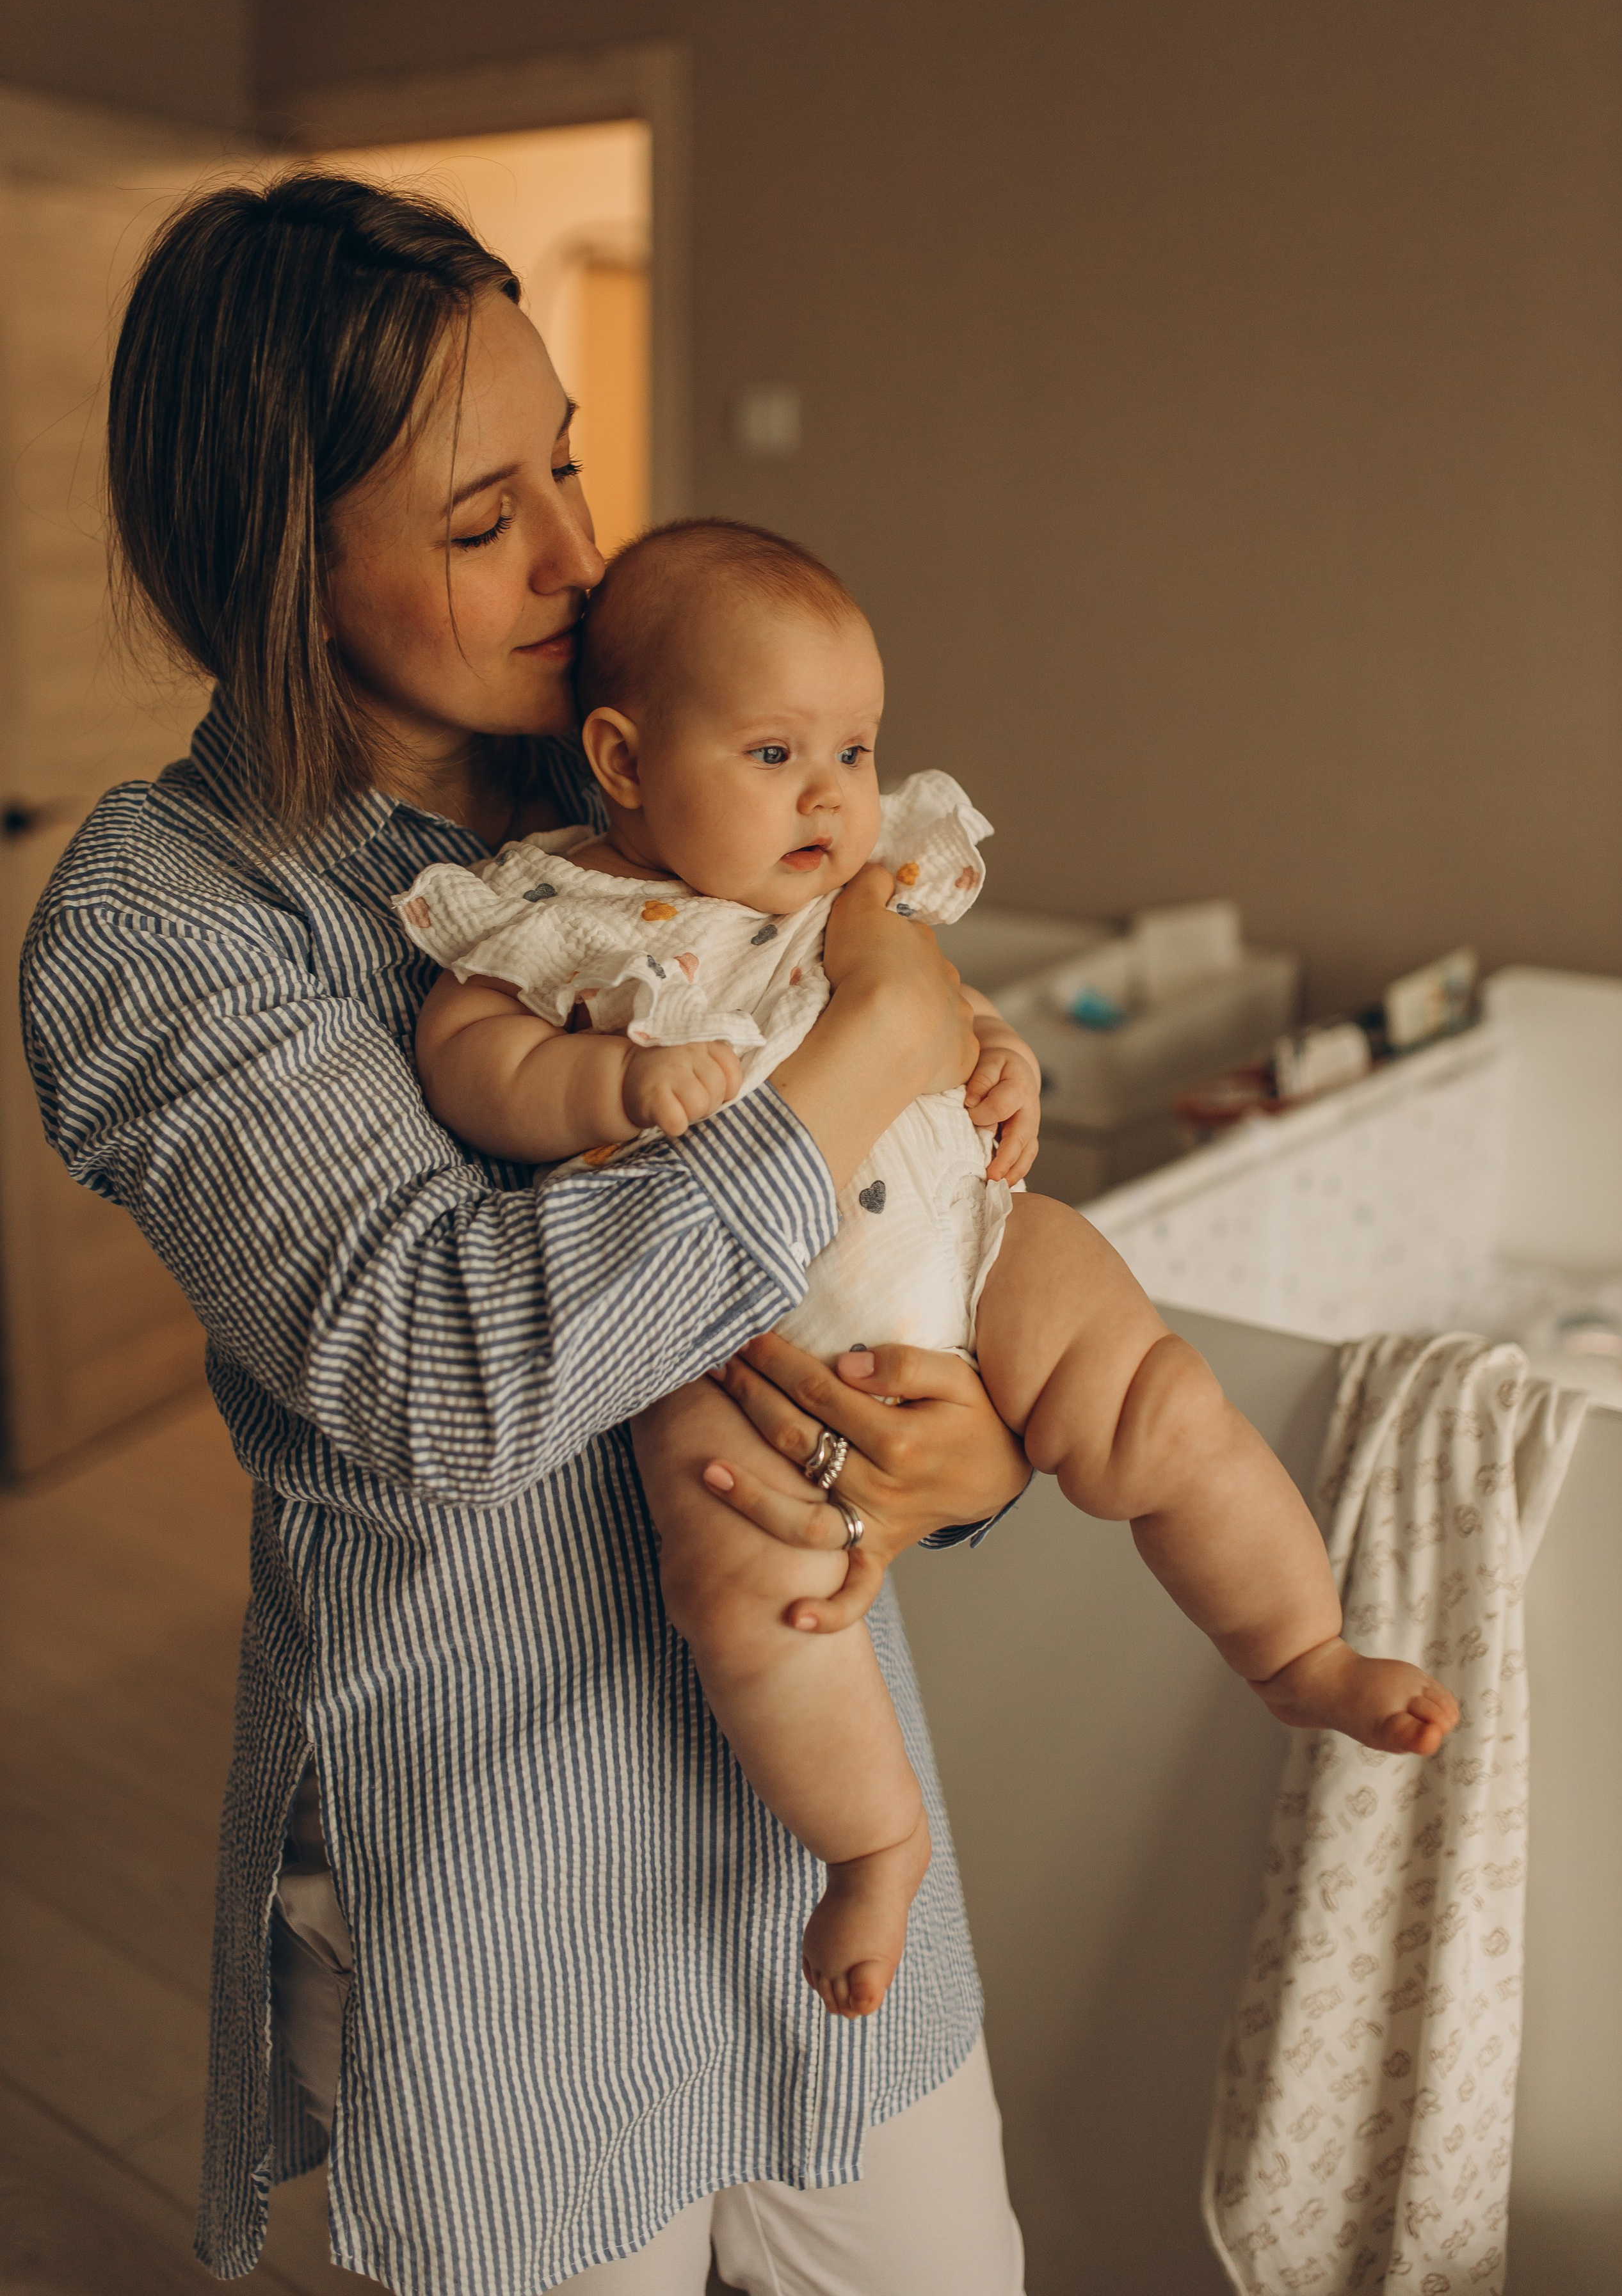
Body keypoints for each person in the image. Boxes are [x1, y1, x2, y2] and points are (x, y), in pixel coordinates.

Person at [19, 172, 1034, 2296]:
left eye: (566, 464)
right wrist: (873, 1040)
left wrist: (978, 1435)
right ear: (284, 559)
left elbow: (892, 1237)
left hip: (821, 1836)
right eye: (485, 522)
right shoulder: (176, 917)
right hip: (510, 1913)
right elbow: (447, 1377)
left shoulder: (656, 783)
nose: (583, 557)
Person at [396, 517, 1463, 2027]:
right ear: (625, 762)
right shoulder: (558, 914)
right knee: (748, 1584)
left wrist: (1001, 1059)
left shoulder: (865, 889)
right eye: (774, 753)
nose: (828, 791)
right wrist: (605, 1096)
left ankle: (1299, 1649)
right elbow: (467, 1061)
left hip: (966, 1245)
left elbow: (942, 1013)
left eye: (853, 747)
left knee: (1157, 1403)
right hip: (731, 1331)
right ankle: (874, 1837)